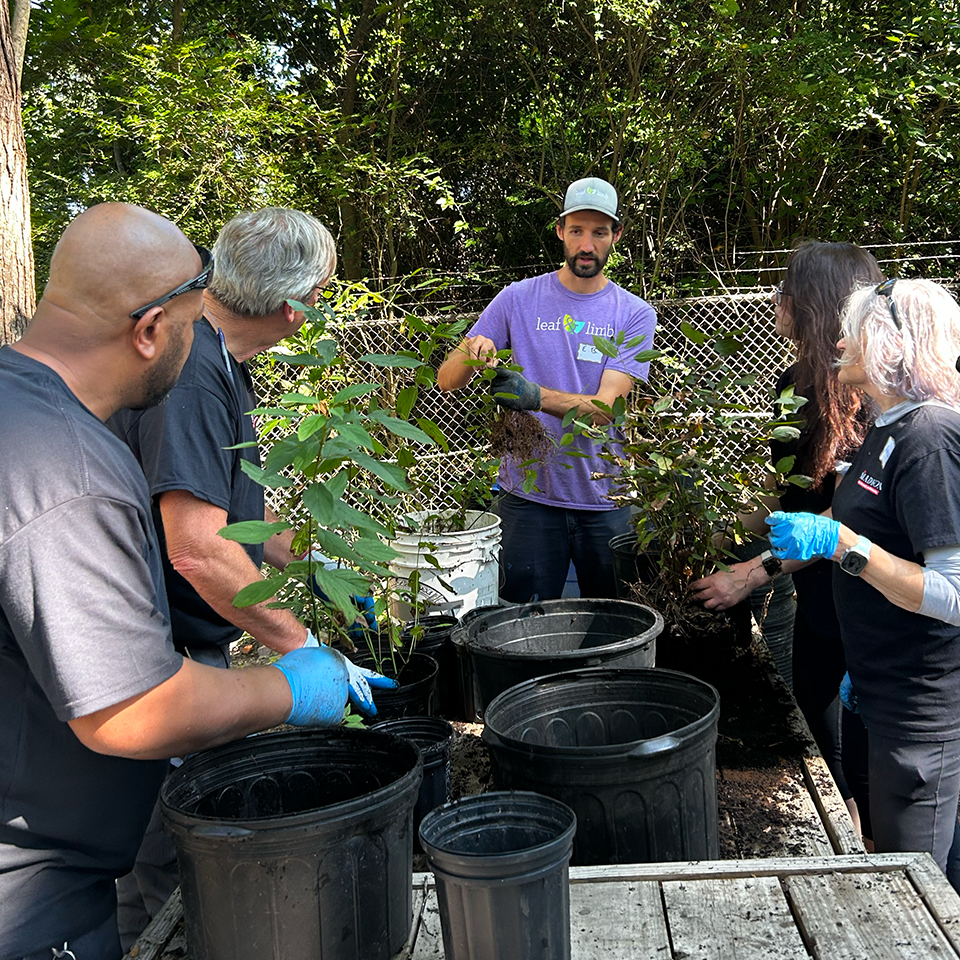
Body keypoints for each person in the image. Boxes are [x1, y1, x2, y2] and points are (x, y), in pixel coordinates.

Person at [0, 203, 390, 960]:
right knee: (170, 900)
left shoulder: (30, 406)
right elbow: (193, 563)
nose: (200, 320)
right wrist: (301, 669)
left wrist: (311, 564)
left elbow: (230, 509)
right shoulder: (85, 456)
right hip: (32, 887)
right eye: (188, 311)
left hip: (58, 831)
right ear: (149, 330)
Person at [108, 207, 349, 946]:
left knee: (165, 850)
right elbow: (197, 547)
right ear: (294, 306)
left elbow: (230, 513)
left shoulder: (217, 358)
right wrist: (303, 646)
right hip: (152, 658)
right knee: (169, 860)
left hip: (178, 645)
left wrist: (314, 558)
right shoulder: (190, 376)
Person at [766, 278, 960, 890]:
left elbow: (954, 594)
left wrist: (843, 546)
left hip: (920, 718)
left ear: (889, 344)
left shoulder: (931, 440)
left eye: (854, 329)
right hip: (879, 691)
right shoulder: (887, 430)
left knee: (919, 891)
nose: (840, 341)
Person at [691, 243, 882, 840]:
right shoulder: (792, 384)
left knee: (874, 745)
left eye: (786, 292)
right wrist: (711, 527)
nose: (777, 302)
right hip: (819, 594)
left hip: (874, 591)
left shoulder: (879, 390)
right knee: (817, 714)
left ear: (813, 304)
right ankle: (849, 829)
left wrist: (751, 572)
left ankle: (882, 843)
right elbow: (784, 496)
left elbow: (848, 514)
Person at [436, 177, 657, 602]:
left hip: (605, 497)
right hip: (529, 498)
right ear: (560, 231)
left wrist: (534, 396)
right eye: (577, 230)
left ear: (617, 236)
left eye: (599, 232)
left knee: (612, 626)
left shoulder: (633, 314)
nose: (587, 244)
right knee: (522, 626)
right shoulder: (517, 299)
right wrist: (473, 351)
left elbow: (607, 410)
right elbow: (448, 380)